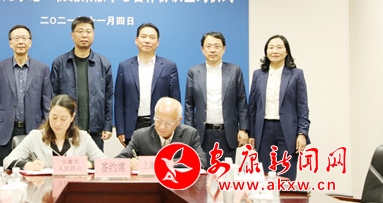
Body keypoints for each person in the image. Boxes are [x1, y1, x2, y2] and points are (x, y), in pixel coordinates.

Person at [0, 25, 52, 166]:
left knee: (33, 171)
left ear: (30, 42)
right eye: (16, 38)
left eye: (24, 38)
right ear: (10, 43)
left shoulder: (42, 69)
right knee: (5, 169)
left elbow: (47, 104)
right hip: (4, 130)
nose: (20, 42)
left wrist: (45, 130)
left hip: (34, 129)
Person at [248, 35, 310, 181]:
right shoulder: (258, 74)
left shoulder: (296, 74)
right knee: (265, 176)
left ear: (287, 51)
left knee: (286, 175)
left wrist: (302, 133)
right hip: (263, 130)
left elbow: (302, 106)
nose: (275, 51)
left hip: (287, 131)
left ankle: (286, 197)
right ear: (266, 51)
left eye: (279, 47)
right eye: (271, 47)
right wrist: (251, 134)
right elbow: (252, 106)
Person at [184, 31, 249, 166]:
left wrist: (243, 129)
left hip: (227, 133)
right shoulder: (194, 72)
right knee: (202, 173)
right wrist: (189, 132)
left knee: (226, 173)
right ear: (202, 49)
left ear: (223, 49)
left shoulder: (235, 70)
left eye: (217, 46)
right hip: (202, 134)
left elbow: (242, 102)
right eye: (208, 46)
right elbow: (189, 105)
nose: (212, 50)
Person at [50, 16, 113, 151]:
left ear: (93, 35)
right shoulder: (60, 63)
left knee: (94, 163)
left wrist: (108, 125)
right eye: (80, 31)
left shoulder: (103, 63)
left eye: (88, 31)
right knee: (67, 163)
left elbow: (108, 97)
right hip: (66, 129)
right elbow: (52, 96)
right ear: (72, 35)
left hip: (95, 130)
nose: (84, 35)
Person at [114, 23, 181, 146]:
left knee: (159, 158)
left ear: (158, 42)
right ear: (136, 40)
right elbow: (119, 100)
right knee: (134, 158)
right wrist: (120, 129)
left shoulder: (169, 66)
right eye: (144, 36)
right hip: (132, 125)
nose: (147, 41)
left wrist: (173, 128)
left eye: (152, 37)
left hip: (160, 125)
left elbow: (175, 100)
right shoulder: (125, 66)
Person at [3, 94, 107, 170]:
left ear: (72, 117)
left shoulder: (83, 137)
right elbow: (7, 161)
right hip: (44, 190)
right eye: (54, 117)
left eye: (63, 119)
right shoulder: (35, 136)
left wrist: (89, 164)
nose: (57, 123)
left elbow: (105, 162)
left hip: (73, 188)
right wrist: (28, 165)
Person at [116, 97, 207, 170]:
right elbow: (118, 161)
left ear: (178, 121)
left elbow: (201, 161)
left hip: (178, 184)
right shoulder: (140, 136)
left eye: (168, 123)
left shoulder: (190, 134)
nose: (162, 126)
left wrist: (169, 163)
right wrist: (129, 163)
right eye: (158, 120)